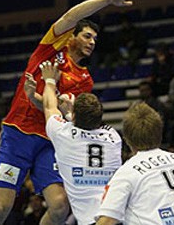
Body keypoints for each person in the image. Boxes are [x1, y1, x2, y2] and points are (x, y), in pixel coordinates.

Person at [0, 0, 138, 225]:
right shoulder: (51, 48)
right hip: (18, 135)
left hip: (50, 142)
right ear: (71, 36)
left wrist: (47, 102)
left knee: (59, 206)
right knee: (1, 207)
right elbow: (72, 15)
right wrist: (109, 0)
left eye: (95, 39)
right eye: (87, 35)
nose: (92, 42)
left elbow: (62, 114)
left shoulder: (85, 80)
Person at [35, 60, 122, 225]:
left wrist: (49, 80)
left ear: (75, 117)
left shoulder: (63, 134)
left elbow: (49, 106)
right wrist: (71, 115)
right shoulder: (114, 137)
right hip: (119, 217)